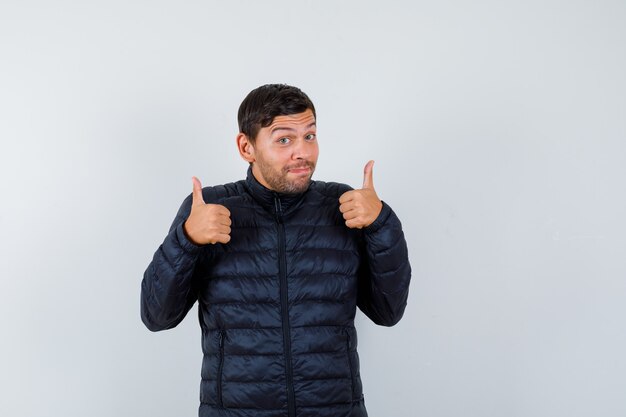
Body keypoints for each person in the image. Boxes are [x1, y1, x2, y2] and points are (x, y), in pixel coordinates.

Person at [141, 84, 411, 417]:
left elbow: (388, 312)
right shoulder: (209, 210)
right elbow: (156, 317)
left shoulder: (343, 207)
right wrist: (187, 240)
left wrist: (381, 222)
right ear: (247, 147)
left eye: (309, 136)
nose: (303, 153)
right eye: (284, 139)